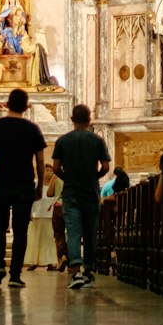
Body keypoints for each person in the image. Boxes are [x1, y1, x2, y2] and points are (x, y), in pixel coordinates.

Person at [0, 87, 46, 287]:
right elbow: (41, 161)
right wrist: (40, 185)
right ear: (27, 107)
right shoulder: (32, 129)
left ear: (7, 104)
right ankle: (15, 275)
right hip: (24, 185)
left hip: (1, 183)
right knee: (20, 230)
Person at [52, 104, 110, 290]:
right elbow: (106, 167)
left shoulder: (63, 141)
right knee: (90, 232)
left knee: (74, 232)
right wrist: (95, 177)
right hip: (90, 192)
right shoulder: (97, 140)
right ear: (89, 119)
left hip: (71, 193)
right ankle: (89, 271)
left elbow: (55, 168)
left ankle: (75, 269)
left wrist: (67, 178)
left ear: (72, 119)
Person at [23, 163, 60, 270]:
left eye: (50, 171)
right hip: (37, 214)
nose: (48, 173)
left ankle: (50, 262)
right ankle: (34, 262)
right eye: (46, 171)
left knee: (48, 240)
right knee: (35, 240)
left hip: (50, 216)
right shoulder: (36, 184)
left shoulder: (55, 185)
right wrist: (29, 212)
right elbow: (30, 200)